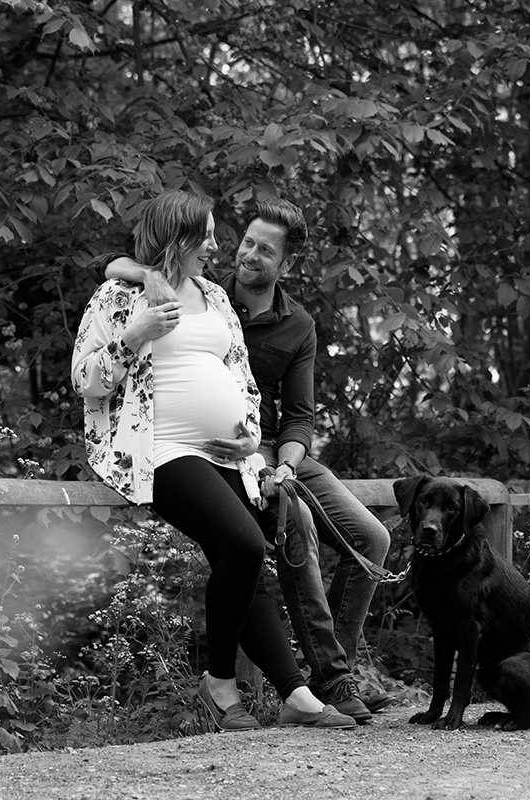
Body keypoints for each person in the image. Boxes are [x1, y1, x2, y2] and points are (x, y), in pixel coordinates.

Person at [100, 197, 393, 724]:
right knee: (277, 530)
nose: (244, 253)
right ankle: (313, 683)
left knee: (371, 538)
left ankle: (325, 678)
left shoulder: (288, 321)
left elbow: (289, 409)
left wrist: (270, 454)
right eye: (244, 242)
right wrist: (145, 283)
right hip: (181, 450)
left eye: (264, 250)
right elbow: (124, 275)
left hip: (268, 452)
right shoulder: (192, 290)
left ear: (287, 264)